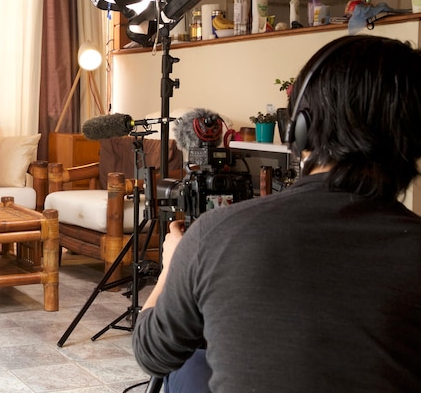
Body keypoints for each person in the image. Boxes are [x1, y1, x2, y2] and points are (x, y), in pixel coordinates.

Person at [132, 35, 421, 392]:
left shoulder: (215, 234)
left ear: (299, 129)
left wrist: (173, 267)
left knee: (189, 362)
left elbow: (151, 352)